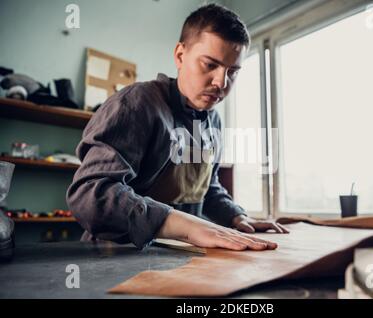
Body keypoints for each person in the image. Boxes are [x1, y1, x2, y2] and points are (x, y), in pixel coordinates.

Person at [66, 4, 289, 252]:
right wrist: (184, 225)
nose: (221, 83)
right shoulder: (137, 103)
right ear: (180, 56)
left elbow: (204, 189)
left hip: (177, 259)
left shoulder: (211, 121)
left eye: (233, 72)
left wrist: (236, 217)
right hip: (114, 257)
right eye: (210, 65)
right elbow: (91, 196)